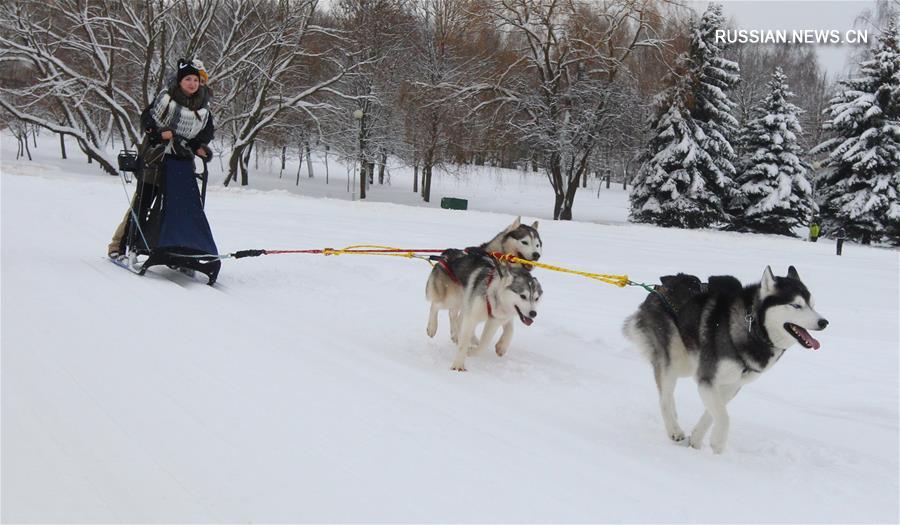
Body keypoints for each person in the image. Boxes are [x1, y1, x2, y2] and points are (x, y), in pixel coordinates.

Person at [108, 58, 214, 258]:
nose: (193, 83)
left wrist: (200, 148)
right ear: (180, 81)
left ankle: (174, 248)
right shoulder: (165, 100)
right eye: (189, 79)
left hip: (181, 165)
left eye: (197, 80)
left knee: (178, 209)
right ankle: (119, 245)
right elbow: (147, 120)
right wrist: (158, 134)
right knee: (142, 203)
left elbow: (201, 136)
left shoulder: (204, 109)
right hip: (155, 160)